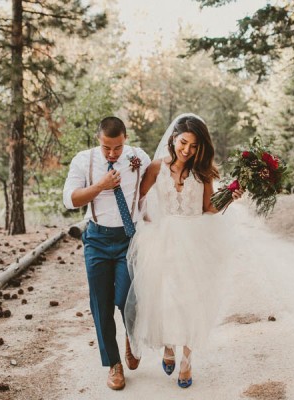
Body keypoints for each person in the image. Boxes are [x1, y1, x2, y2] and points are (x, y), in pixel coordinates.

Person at [124, 113, 243, 389]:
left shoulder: (203, 172)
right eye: (184, 143)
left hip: (196, 239)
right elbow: (138, 199)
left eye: (194, 146)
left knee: (192, 300)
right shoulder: (156, 168)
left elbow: (208, 207)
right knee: (165, 298)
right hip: (163, 239)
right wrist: (149, 221)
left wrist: (230, 198)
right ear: (173, 139)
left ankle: (187, 361)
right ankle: (168, 346)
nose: (187, 150)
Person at [63, 116, 151, 390]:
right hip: (97, 238)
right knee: (100, 303)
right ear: (98, 140)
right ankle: (113, 364)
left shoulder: (140, 157)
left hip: (130, 238)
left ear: (125, 138)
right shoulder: (83, 160)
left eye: (117, 147)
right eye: (106, 148)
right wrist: (101, 185)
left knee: (127, 299)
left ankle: (131, 337)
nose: (112, 153)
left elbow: (153, 192)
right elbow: (70, 200)